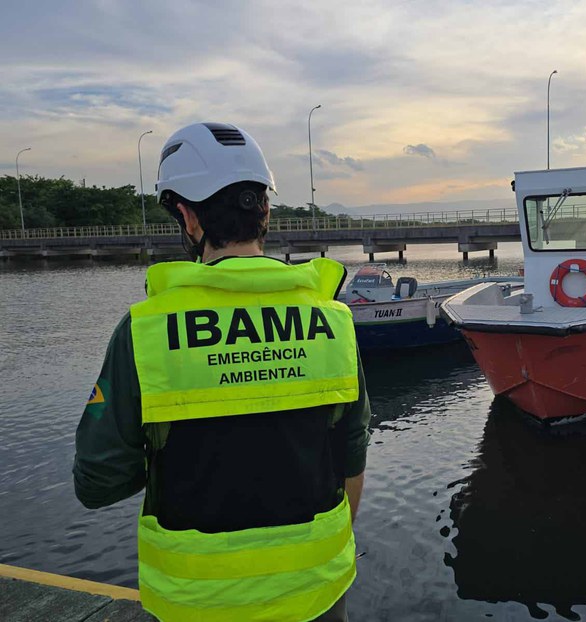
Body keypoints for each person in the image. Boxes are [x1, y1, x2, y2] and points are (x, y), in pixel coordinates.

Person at [74, 122, 370, 622]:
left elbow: (98, 482)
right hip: (317, 594)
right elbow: (352, 457)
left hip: (195, 602)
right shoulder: (332, 321)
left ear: (188, 218)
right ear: (266, 212)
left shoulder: (145, 332)